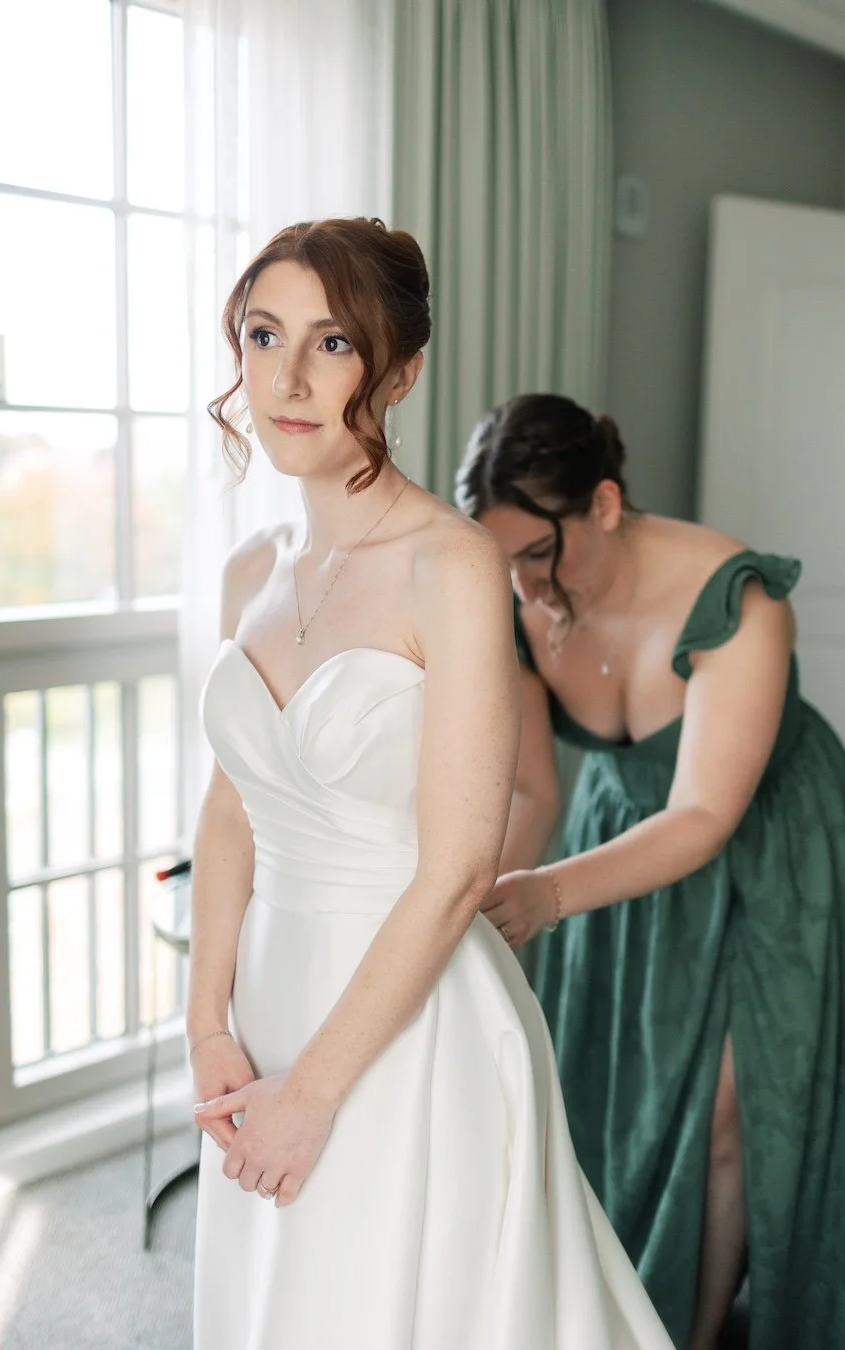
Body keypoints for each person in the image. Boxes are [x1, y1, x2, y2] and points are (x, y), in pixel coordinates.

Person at [186, 222, 674, 1350]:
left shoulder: (449, 564)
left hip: (403, 1020)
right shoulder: (251, 571)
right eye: (263, 336)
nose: (286, 379)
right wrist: (208, 1026)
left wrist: (313, 1092)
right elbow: (228, 814)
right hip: (267, 995)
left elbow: (457, 868)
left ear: (399, 374)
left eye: (333, 344)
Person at [456, 391, 845, 1350]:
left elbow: (705, 812)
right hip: (617, 844)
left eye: (539, 554)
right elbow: (533, 792)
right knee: (617, 1093)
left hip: (765, 850)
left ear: (604, 504)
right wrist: (464, 908)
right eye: (502, 561)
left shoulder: (735, 598)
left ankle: (689, 1334)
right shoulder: (514, 597)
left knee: (732, 1115)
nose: (524, 586)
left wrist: (548, 894)